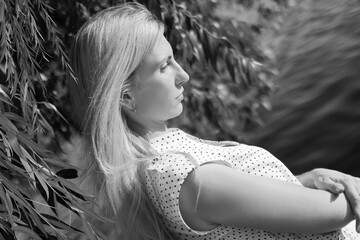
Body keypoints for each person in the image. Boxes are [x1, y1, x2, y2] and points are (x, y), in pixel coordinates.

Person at [68, 2, 360, 240]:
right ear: (125, 96)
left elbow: (243, 218)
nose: (184, 75)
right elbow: (326, 216)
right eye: (164, 66)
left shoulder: (159, 168)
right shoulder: (186, 176)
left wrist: (303, 182)